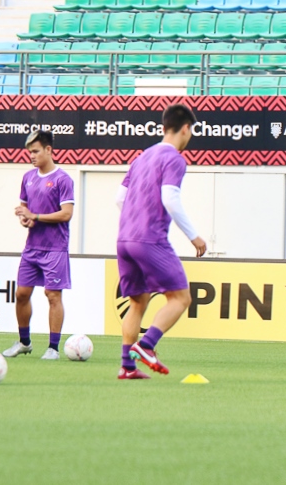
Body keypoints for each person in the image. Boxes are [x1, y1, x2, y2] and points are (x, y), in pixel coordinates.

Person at [115, 104, 207, 380]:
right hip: (149, 238)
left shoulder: (141, 158)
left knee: (138, 302)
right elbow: (170, 198)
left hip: (124, 238)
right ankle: (147, 345)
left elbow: (119, 198)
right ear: (186, 129)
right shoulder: (174, 159)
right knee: (180, 297)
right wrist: (193, 235)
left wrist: (135, 220)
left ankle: (127, 367)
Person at [3, 130, 75, 361]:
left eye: (35, 151)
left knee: (52, 295)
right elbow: (25, 209)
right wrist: (25, 218)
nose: (32, 156)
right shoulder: (28, 178)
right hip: (32, 248)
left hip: (55, 248)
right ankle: (24, 342)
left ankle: (53, 348)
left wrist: (35, 216)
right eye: (29, 152)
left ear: (48, 150)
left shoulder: (63, 179)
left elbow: (66, 214)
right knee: (21, 294)